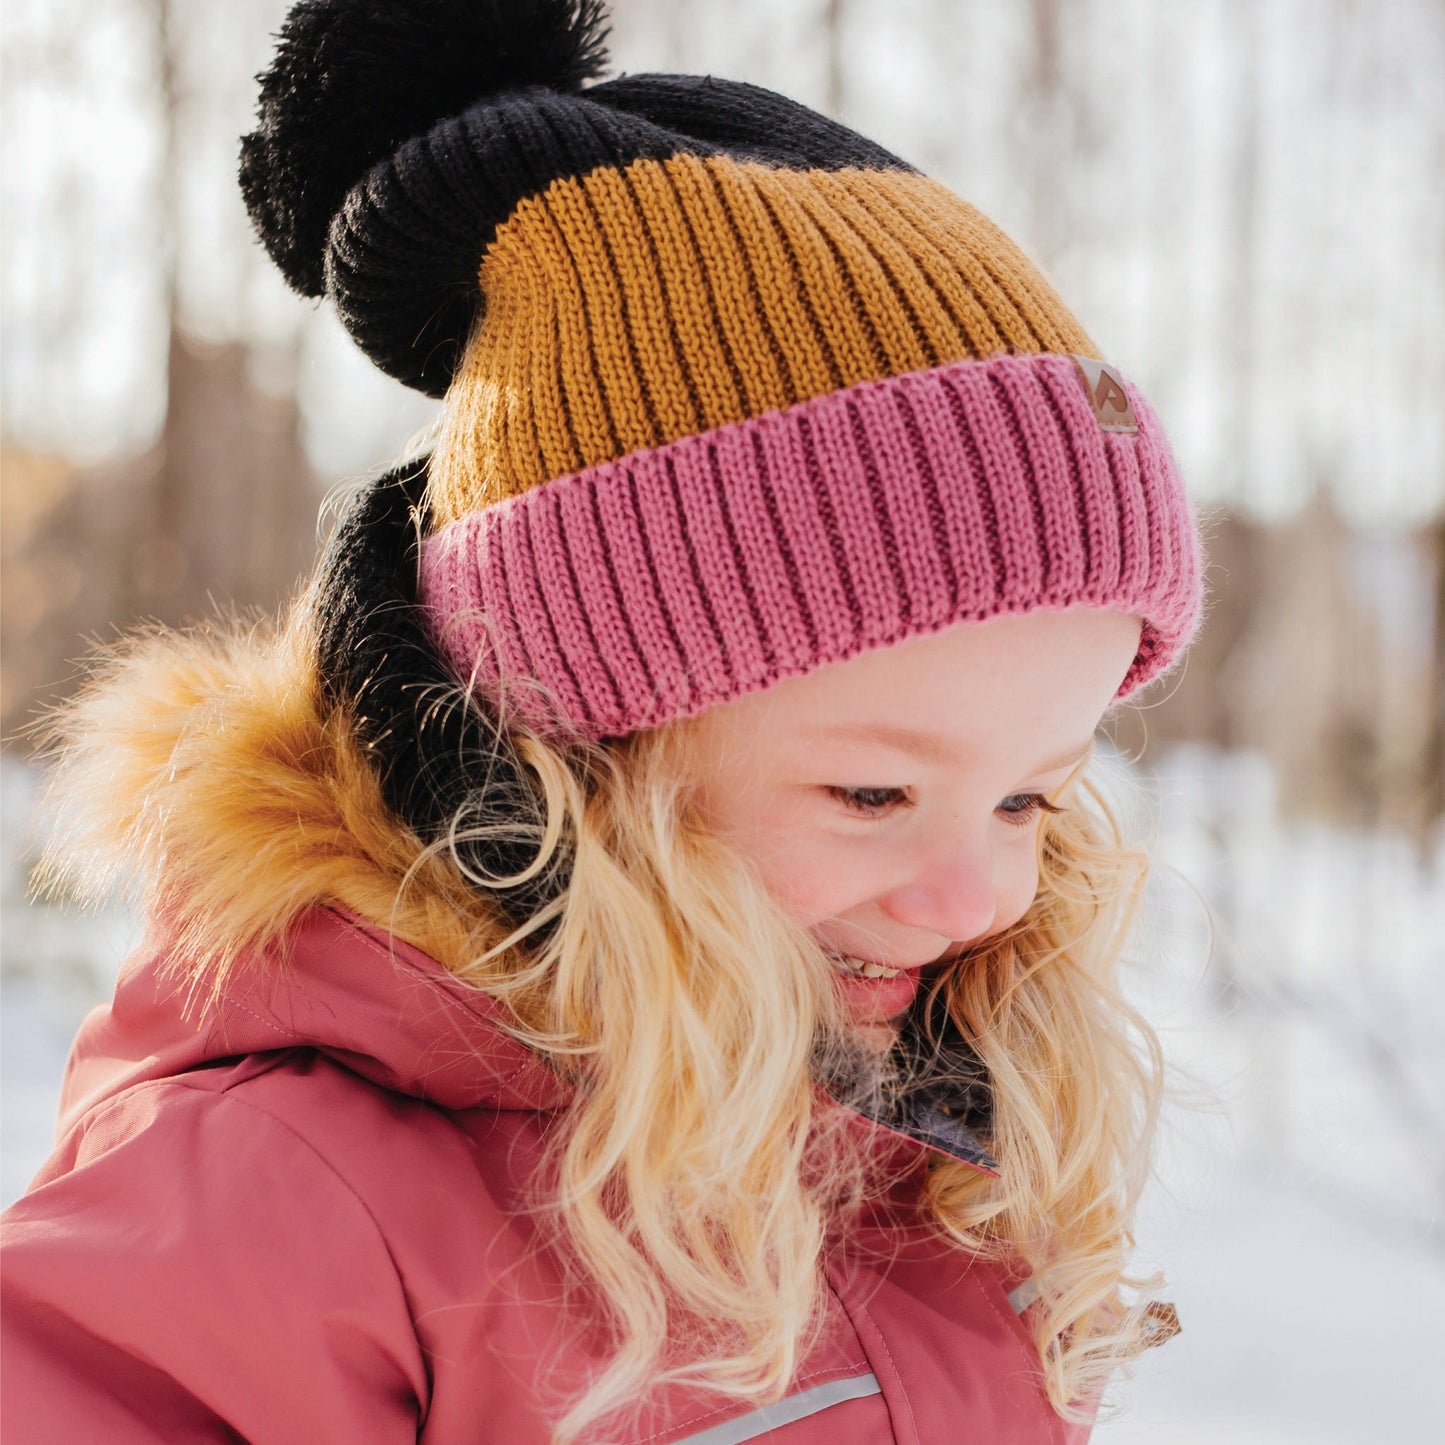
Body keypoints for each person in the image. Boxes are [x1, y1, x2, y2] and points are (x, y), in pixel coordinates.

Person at [0, 1, 1204, 1441]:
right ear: (568, 748)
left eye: (1029, 798)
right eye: (871, 797)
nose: (978, 896)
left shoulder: (911, 1130)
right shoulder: (276, 1197)